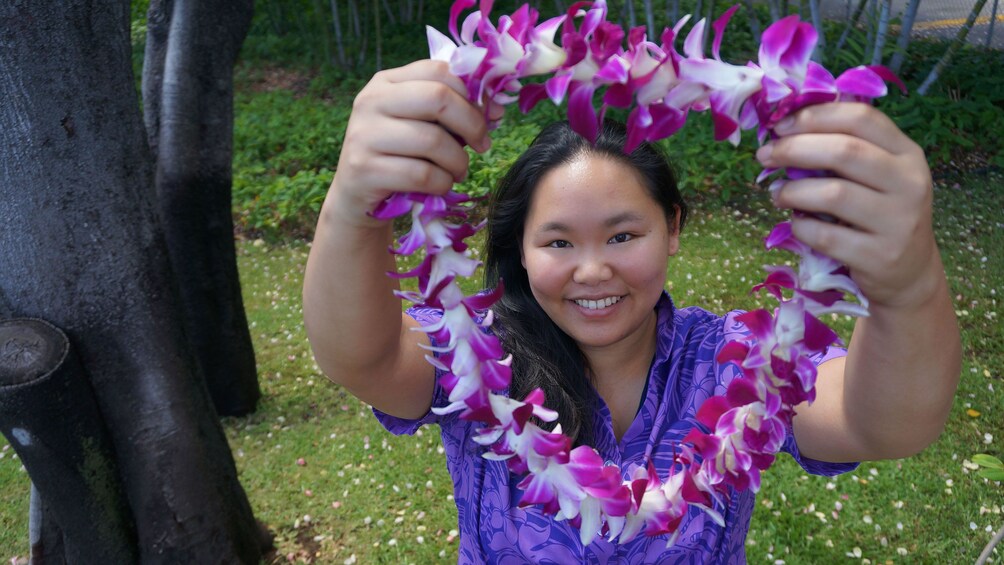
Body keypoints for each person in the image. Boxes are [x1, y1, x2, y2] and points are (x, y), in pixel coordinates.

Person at [302, 60, 961, 563]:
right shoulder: (480, 356)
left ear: (672, 228)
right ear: (522, 252)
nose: (594, 270)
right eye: (559, 241)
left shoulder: (732, 359)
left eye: (623, 235)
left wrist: (908, 284)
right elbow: (362, 356)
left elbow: (880, 422)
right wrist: (354, 205)